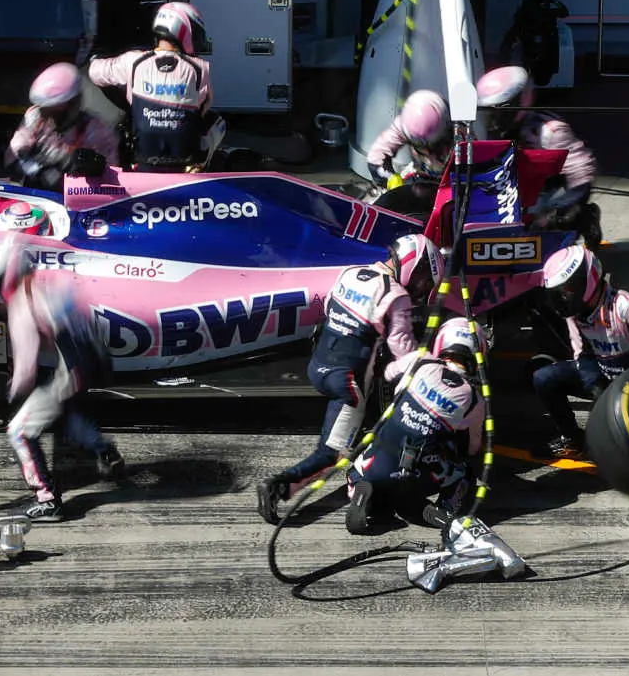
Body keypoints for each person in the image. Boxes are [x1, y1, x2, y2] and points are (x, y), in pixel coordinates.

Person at [256, 233, 443, 525]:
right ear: (412, 265)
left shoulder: (351, 272)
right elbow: (402, 350)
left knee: (361, 423)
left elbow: (330, 307)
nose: (420, 289)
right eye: (422, 279)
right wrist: (433, 364)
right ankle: (279, 486)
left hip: (318, 365)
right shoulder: (396, 295)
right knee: (333, 452)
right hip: (348, 384)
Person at [0, 233, 124, 521]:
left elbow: (26, 370)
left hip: (69, 370)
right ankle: (105, 451)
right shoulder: (48, 282)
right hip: (92, 362)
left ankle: (47, 499)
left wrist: (8, 394)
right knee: (60, 412)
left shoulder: (21, 304)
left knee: (19, 430)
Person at [531, 244, 629, 460]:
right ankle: (573, 440)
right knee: (543, 377)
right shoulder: (575, 315)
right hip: (608, 383)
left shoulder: (623, 306)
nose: (561, 300)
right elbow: (582, 355)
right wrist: (596, 389)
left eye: (566, 291)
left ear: (587, 280)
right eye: (558, 294)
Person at [344, 318, 488, 535]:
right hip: (420, 475)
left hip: (379, 461)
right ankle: (445, 511)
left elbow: (388, 374)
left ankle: (361, 487)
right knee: (465, 473)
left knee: (357, 467)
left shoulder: (420, 359)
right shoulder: (475, 399)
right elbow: (472, 448)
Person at [476, 65, 601, 244]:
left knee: (541, 229)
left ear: (519, 102)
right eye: (489, 112)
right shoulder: (496, 131)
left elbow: (582, 173)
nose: (493, 119)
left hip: (558, 184)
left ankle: (586, 219)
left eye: (498, 112)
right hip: (522, 182)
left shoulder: (550, 131)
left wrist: (562, 208)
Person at [86, 2, 216, 173]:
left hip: (142, 158)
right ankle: (201, 168)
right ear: (185, 30)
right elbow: (204, 106)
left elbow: (95, 73)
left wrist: (97, 55)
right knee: (216, 122)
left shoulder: (132, 61)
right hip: (183, 161)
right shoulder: (201, 68)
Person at [4, 62, 117, 191]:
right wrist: (37, 168)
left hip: (77, 200)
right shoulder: (34, 116)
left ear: (73, 103)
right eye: (45, 109)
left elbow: (112, 181)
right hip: (36, 194)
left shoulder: (98, 132)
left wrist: (89, 167)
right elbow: (12, 159)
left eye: (55, 110)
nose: (48, 117)